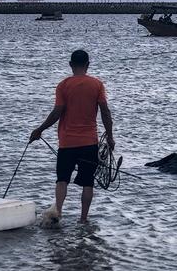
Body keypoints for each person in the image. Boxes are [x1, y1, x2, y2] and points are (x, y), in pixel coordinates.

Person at [30, 50, 114, 223]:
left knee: (62, 179)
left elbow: (57, 113)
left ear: (70, 64)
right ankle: (83, 219)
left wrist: (40, 129)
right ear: (88, 65)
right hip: (89, 142)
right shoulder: (97, 84)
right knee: (88, 182)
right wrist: (110, 137)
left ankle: (57, 213)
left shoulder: (63, 85)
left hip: (67, 142)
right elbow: (105, 112)